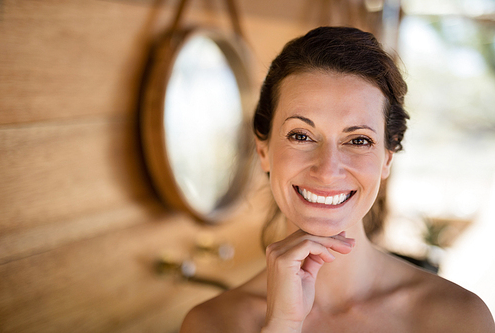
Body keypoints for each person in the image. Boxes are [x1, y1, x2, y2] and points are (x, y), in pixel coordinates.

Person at [180, 26, 495, 332]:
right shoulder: (211, 324)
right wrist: (282, 326)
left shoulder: (458, 319)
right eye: (301, 135)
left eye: (358, 140)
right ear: (263, 151)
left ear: (387, 158)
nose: (328, 169)